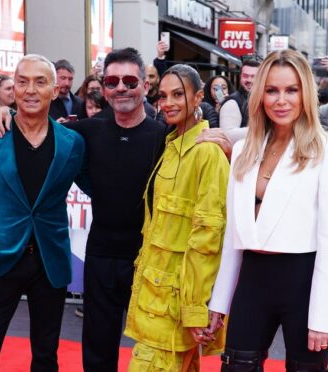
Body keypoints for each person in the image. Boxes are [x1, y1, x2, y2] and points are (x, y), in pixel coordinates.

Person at [0, 48, 232, 372]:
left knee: (159, 353)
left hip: (149, 263)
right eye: (112, 81)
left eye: (130, 80)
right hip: (101, 258)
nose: (121, 88)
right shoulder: (87, 131)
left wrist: (229, 142)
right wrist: (3, 113)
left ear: (145, 86)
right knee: (97, 354)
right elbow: (39, 127)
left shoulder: (166, 137)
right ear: (103, 86)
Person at [208, 49, 328, 372]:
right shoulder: (244, 149)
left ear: (306, 94)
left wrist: (323, 319)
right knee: (235, 367)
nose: (281, 100)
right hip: (252, 281)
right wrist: (219, 300)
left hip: (303, 282)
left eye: (291, 90)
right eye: (272, 90)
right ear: (259, 95)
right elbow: (234, 233)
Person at [0, 54, 85, 371]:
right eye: (22, 81)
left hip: (49, 263)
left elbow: (103, 179)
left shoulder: (72, 142)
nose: (30, 90)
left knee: (45, 358)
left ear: (55, 90)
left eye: (40, 82)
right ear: (13, 88)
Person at [124, 64, 229, 371]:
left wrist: (196, 310)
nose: (167, 102)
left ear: (198, 97)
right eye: (163, 95)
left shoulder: (207, 153)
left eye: (178, 94)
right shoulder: (172, 144)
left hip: (175, 305)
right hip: (154, 297)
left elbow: (208, 238)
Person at [219, 59, 260, 143]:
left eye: (253, 76)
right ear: (240, 76)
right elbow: (228, 135)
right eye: (245, 76)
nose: (249, 80)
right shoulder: (232, 103)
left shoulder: (262, 98)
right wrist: (264, 129)